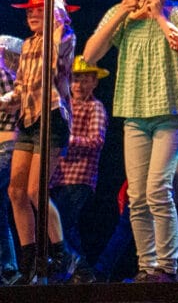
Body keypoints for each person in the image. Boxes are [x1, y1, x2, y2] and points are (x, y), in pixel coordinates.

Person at [81, 0, 178, 283]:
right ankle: (146, 265)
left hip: (171, 111)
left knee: (158, 189)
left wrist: (159, 16)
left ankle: (166, 266)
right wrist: (119, 17)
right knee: (136, 195)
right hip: (135, 112)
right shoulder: (121, 13)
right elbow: (90, 56)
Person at [5, 0, 78, 283]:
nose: (33, 14)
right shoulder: (27, 45)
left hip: (52, 117)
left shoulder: (64, 38)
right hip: (30, 117)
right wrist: (10, 98)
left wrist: (58, 26)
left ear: (55, 13)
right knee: (16, 191)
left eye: (40, 10)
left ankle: (62, 252)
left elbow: (55, 61)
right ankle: (29, 262)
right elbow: (23, 84)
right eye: (30, 10)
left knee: (36, 190)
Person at [49, 56, 108, 282]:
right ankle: (77, 274)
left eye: (84, 80)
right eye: (74, 80)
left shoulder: (95, 107)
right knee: (66, 226)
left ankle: (81, 268)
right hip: (58, 177)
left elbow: (96, 141)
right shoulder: (63, 106)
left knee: (61, 223)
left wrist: (66, 139)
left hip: (80, 177)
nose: (78, 85)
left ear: (94, 82)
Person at [0, 36, 22, 284]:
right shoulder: (15, 78)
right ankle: (9, 268)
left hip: (6, 147)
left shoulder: (5, 75)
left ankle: (8, 267)